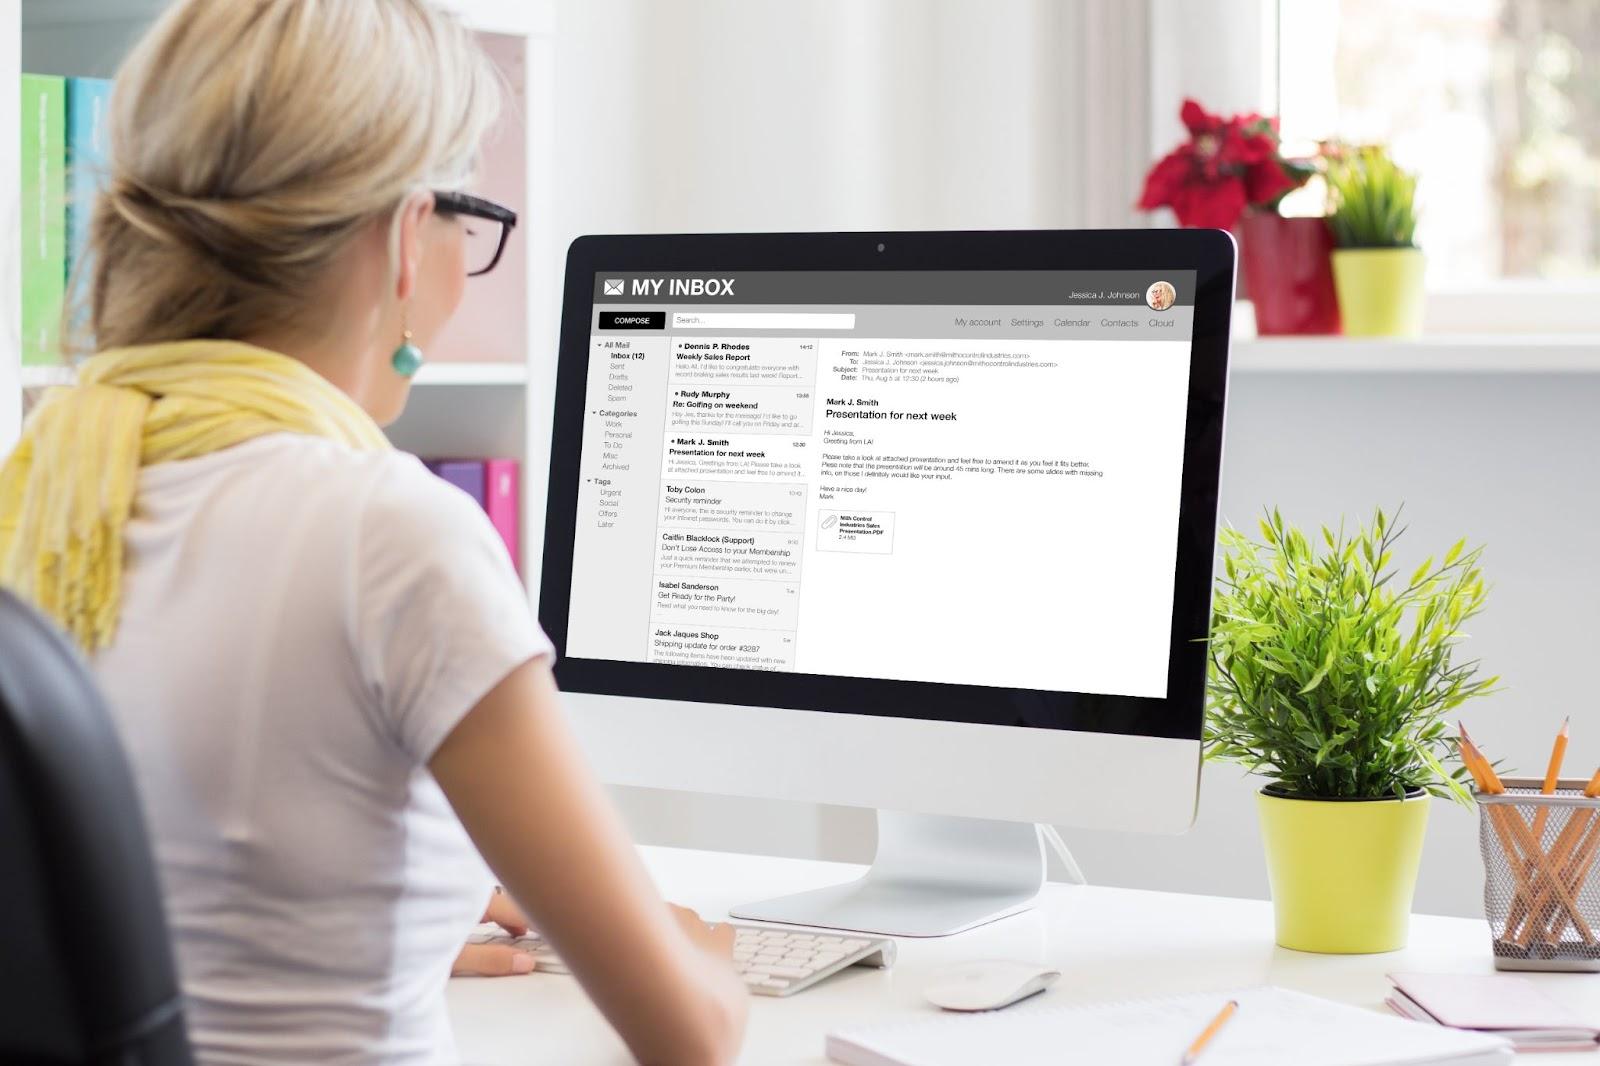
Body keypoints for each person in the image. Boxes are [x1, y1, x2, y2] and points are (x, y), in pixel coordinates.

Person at [0, 2, 747, 1064]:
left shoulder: (48, 488)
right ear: (406, 233)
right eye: (470, 216)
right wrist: (710, 960)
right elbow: (690, 1034)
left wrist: (393, 921)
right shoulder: (388, 532)